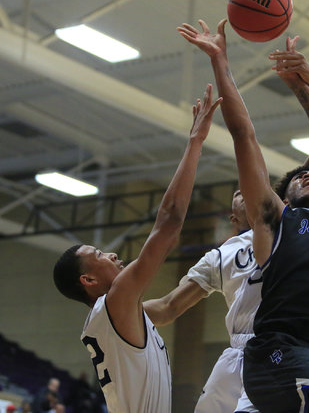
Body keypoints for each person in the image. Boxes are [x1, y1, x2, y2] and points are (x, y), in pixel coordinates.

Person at [177, 19, 309, 413]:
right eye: (299, 178)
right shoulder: (275, 223)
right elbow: (244, 135)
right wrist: (220, 59)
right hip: (274, 353)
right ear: (284, 198)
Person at [53, 85, 221, 413]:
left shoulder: (122, 315)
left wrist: (218, 263)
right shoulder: (114, 303)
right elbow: (169, 223)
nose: (112, 254)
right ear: (88, 280)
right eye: (100, 255)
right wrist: (195, 143)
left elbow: (172, 306)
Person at [143, 189, 261, 413]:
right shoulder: (220, 256)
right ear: (234, 218)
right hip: (240, 352)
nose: (246, 189)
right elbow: (168, 306)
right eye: (238, 193)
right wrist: (116, 311)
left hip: (288, 347)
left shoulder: (292, 232)